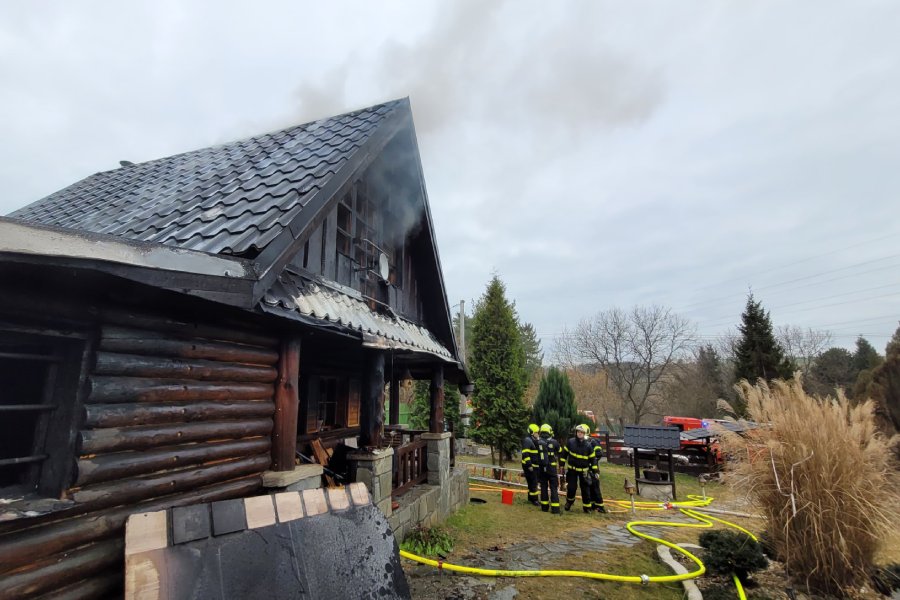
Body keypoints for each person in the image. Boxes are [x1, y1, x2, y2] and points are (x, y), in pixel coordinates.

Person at [560, 424, 596, 513]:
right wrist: (561, 465)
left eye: (582, 432)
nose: (579, 433)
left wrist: (596, 471)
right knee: (571, 488)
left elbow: (593, 459)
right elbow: (564, 454)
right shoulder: (571, 442)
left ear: (585, 434)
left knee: (585, 489)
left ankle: (587, 507)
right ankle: (569, 503)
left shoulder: (588, 446)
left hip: (584, 472)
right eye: (578, 432)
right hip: (572, 470)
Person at [536, 423, 561, 514]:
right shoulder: (554, 442)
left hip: (542, 468)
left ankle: (544, 507)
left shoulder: (538, 442)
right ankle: (555, 509)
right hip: (552, 469)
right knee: (553, 487)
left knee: (543, 487)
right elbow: (560, 451)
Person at [583, 424, 607, 513]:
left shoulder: (593, 442)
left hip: (593, 469)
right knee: (588, 487)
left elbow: (599, 453)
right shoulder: (582, 442)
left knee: (595, 487)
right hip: (586, 468)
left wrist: (591, 459)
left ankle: (600, 506)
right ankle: (592, 505)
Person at [521, 423, 540, 506]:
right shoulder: (528, 440)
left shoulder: (532, 440)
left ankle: (531, 498)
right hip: (529, 466)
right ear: (532, 432)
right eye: (536, 432)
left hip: (532, 466)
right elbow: (525, 454)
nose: (538, 434)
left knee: (531, 483)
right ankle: (534, 500)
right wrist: (529, 465)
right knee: (533, 483)